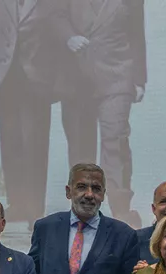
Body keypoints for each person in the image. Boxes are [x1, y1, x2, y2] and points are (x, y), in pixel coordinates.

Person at [53, 0, 147, 227]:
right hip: (76, 78)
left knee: (116, 140)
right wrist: (68, 36)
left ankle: (120, 209)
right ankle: (82, 210)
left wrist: (139, 78)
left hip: (117, 75)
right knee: (80, 147)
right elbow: (54, 14)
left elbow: (136, 32)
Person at [0, 0, 60, 224]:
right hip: (4, 80)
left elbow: (59, 36)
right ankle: (17, 204)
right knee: (10, 143)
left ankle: (35, 208)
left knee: (35, 145)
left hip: (38, 81)